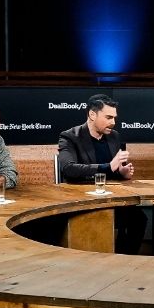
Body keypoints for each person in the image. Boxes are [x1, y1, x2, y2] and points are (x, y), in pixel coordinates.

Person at [57, 94, 148, 254]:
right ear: (92, 114)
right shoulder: (70, 137)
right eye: (108, 117)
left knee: (139, 219)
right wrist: (109, 166)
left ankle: (123, 257)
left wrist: (122, 172)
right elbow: (69, 168)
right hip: (82, 200)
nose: (113, 122)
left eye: (114, 118)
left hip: (112, 199)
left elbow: (113, 171)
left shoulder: (114, 136)